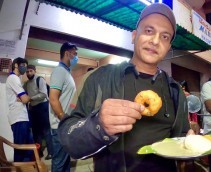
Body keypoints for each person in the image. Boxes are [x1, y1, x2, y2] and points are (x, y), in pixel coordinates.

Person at [58, 3, 192, 172]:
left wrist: (189, 142)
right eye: (149, 31)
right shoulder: (100, 78)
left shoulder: (175, 90)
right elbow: (68, 139)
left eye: (165, 37)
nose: (156, 41)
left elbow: (180, 139)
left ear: (168, 48)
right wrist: (98, 125)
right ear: (134, 36)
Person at [49, 42, 78, 172]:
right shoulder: (59, 71)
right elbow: (53, 99)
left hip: (64, 125)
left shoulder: (66, 73)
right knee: (59, 163)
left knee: (65, 161)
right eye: (75, 54)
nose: (77, 57)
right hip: (59, 126)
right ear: (67, 53)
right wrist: (63, 118)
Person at [5, 57, 34, 162]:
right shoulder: (13, 78)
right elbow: (25, 99)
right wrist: (26, 98)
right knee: (20, 149)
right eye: (23, 65)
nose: (25, 68)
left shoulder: (17, 79)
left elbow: (24, 99)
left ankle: (24, 168)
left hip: (22, 118)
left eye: (26, 66)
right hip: (18, 118)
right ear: (16, 65)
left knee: (29, 148)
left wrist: (24, 98)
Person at [24, 64, 53, 160]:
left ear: (34, 71)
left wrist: (30, 98)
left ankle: (51, 153)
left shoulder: (39, 80)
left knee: (46, 131)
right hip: (33, 109)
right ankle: (39, 153)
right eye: (27, 71)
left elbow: (44, 94)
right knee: (36, 132)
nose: (29, 73)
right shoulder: (27, 83)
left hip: (42, 107)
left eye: (31, 71)